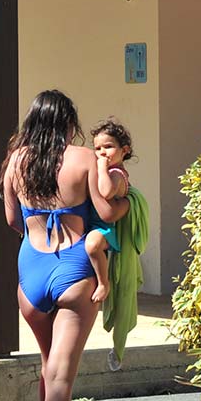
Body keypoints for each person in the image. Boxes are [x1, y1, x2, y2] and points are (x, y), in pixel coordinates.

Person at [1, 90, 128, 401]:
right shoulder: (81, 158)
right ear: (68, 122)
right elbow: (106, 212)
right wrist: (126, 203)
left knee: (46, 365)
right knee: (61, 376)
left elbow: (11, 220)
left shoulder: (16, 161)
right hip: (74, 267)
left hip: (31, 270)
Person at [84, 119, 133, 305]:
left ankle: (104, 283)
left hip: (105, 228)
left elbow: (106, 192)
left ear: (124, 150)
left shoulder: (117, 174)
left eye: (109, 146)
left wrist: (101, 169)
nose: (102, 152)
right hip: (92, 223)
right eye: (97, 148)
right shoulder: (108, 170)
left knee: (92, 244)